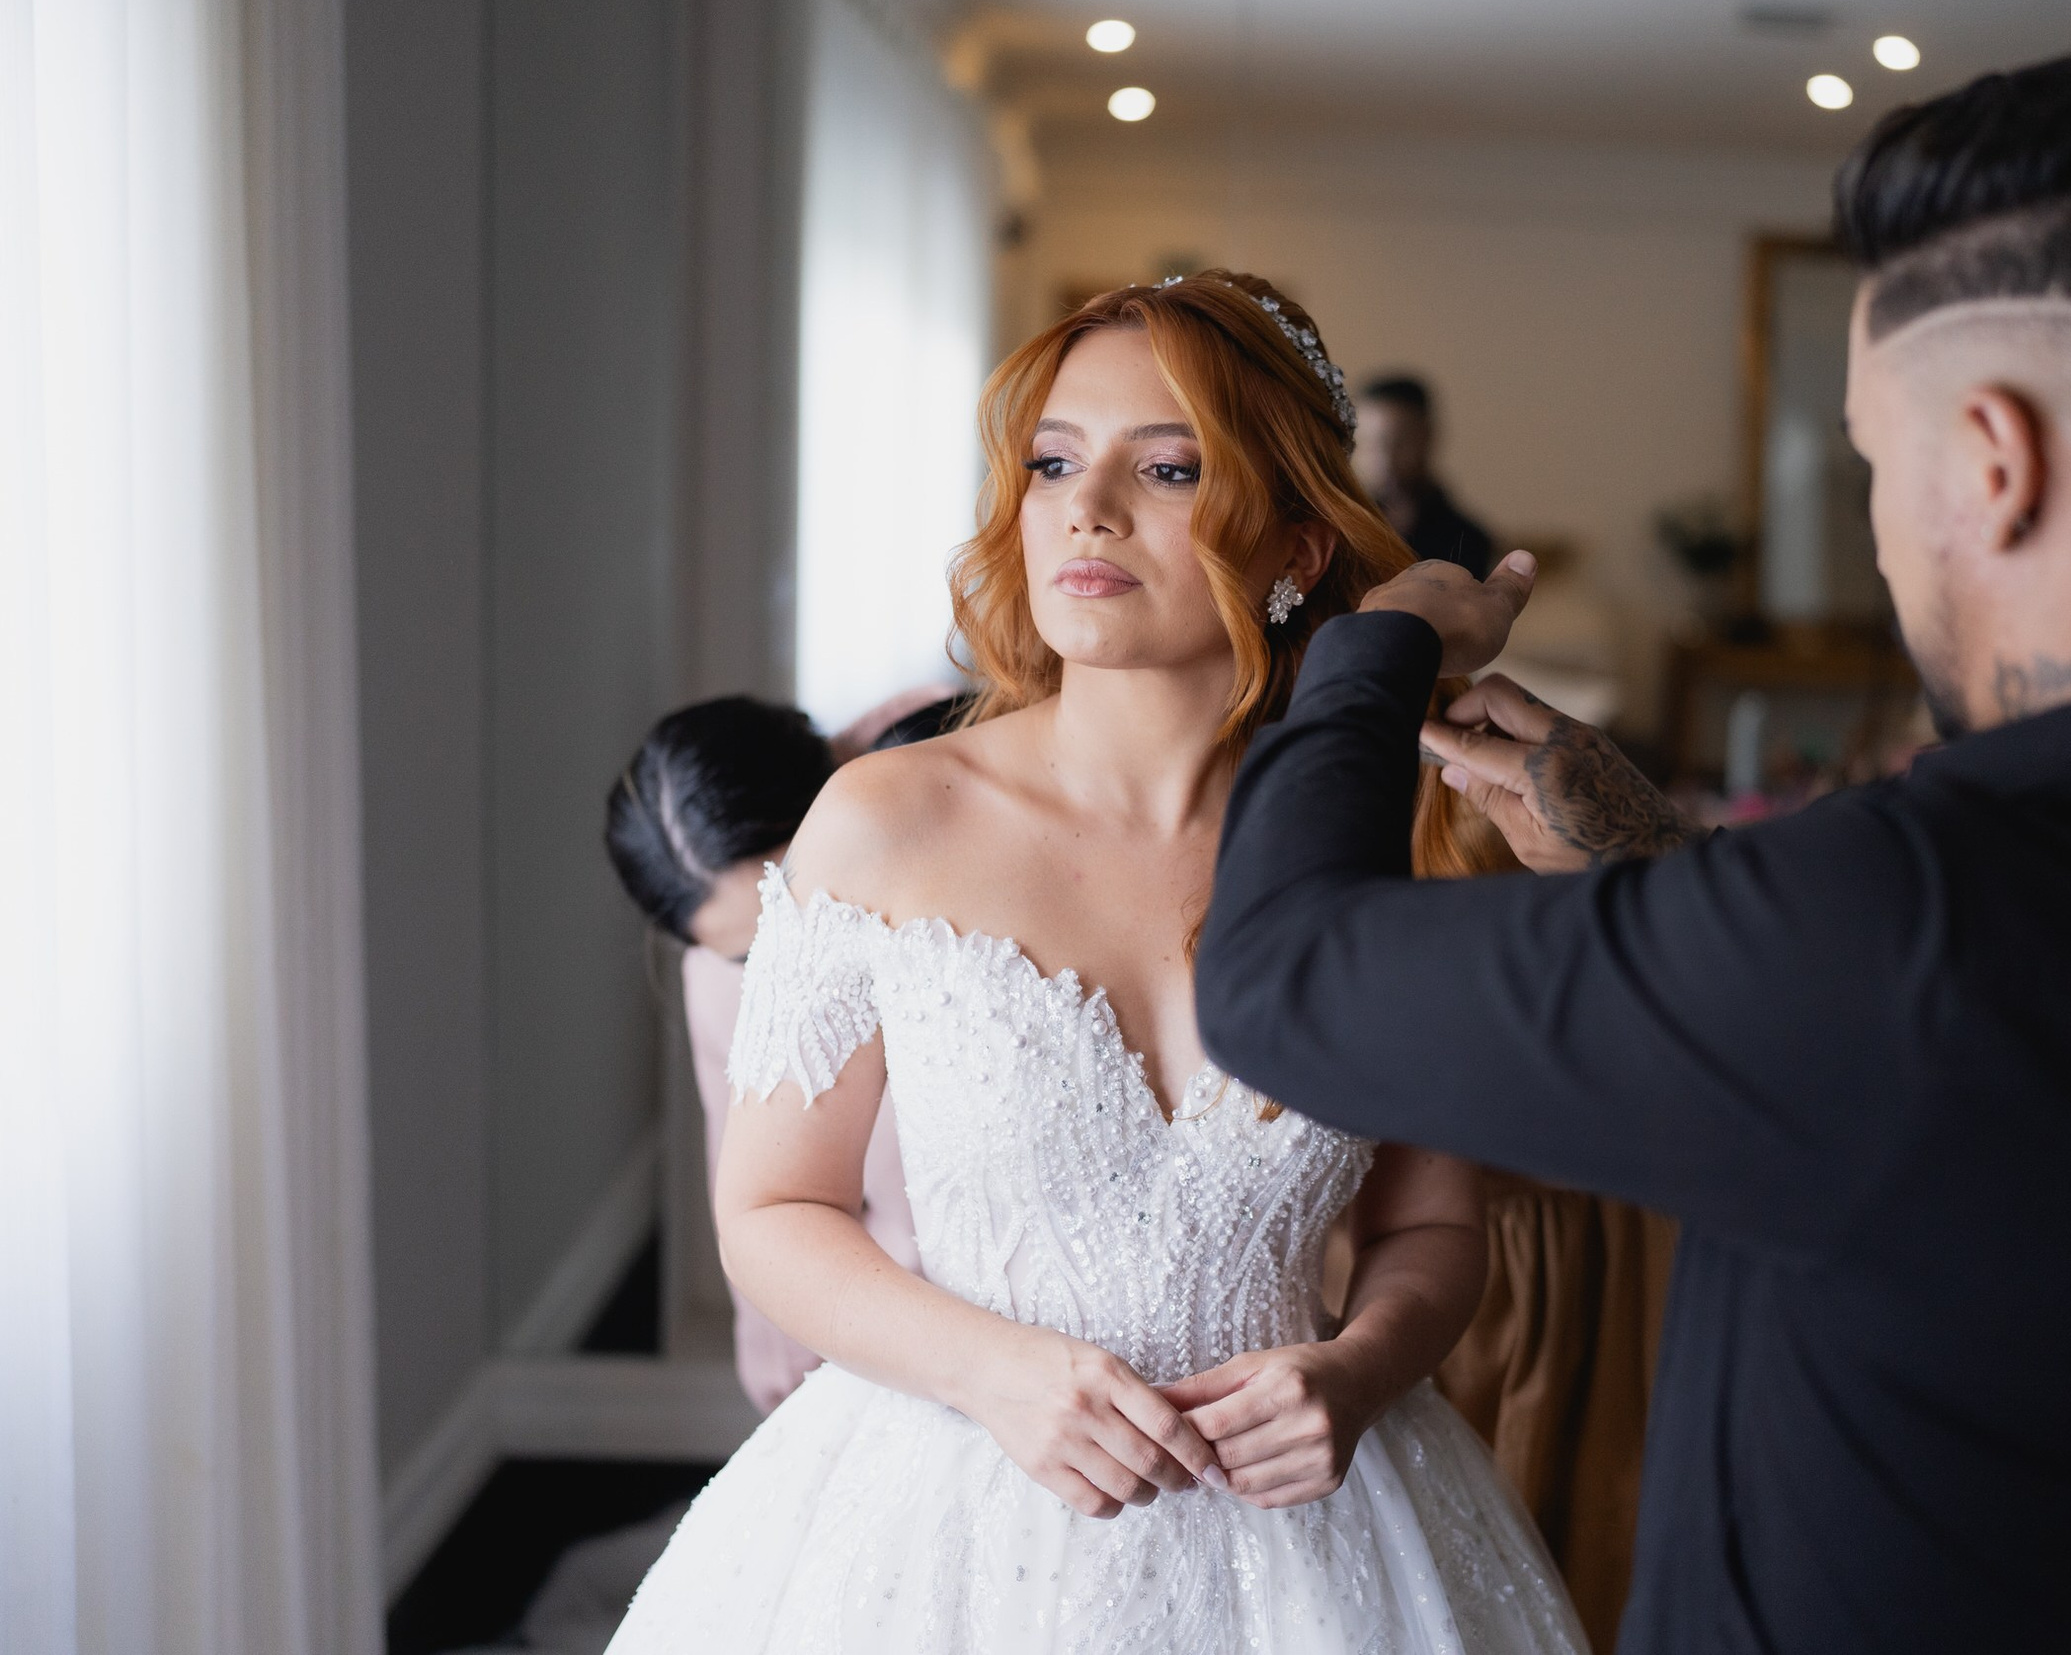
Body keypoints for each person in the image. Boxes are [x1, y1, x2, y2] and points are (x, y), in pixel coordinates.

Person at [1193, 47, 2071, 1655]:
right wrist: (1648, 843)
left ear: (1992, 458)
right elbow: (1993, 1111)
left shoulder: (1908, 929)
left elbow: (1281, 975)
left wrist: (1380, 646)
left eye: (1871, 462)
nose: (1889, 529)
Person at [605, 273, 1586, 1652]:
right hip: (948, 1507)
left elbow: (1432, 1224)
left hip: (1311, 1535)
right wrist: (998, 1375)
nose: (1088, 507)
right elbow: (771, 1207)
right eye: (1055, 461)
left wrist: (1357, 1370)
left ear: (1297, 546)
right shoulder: (890, 821)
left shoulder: (1384, 836)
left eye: (1167, 468)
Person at [606, 694, 947, 1409]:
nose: (787, 970)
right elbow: (757, 1203)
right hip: (891, 1340)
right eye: (748, 951)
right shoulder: (718, 982)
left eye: (789, 908)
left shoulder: (947, 784)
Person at [1353, 373, 1497, 578]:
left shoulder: (1467, 539)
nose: (1384, 460)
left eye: (1398, 442)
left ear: (1427, 435)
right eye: (1368, 444)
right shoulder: (1339, 527)